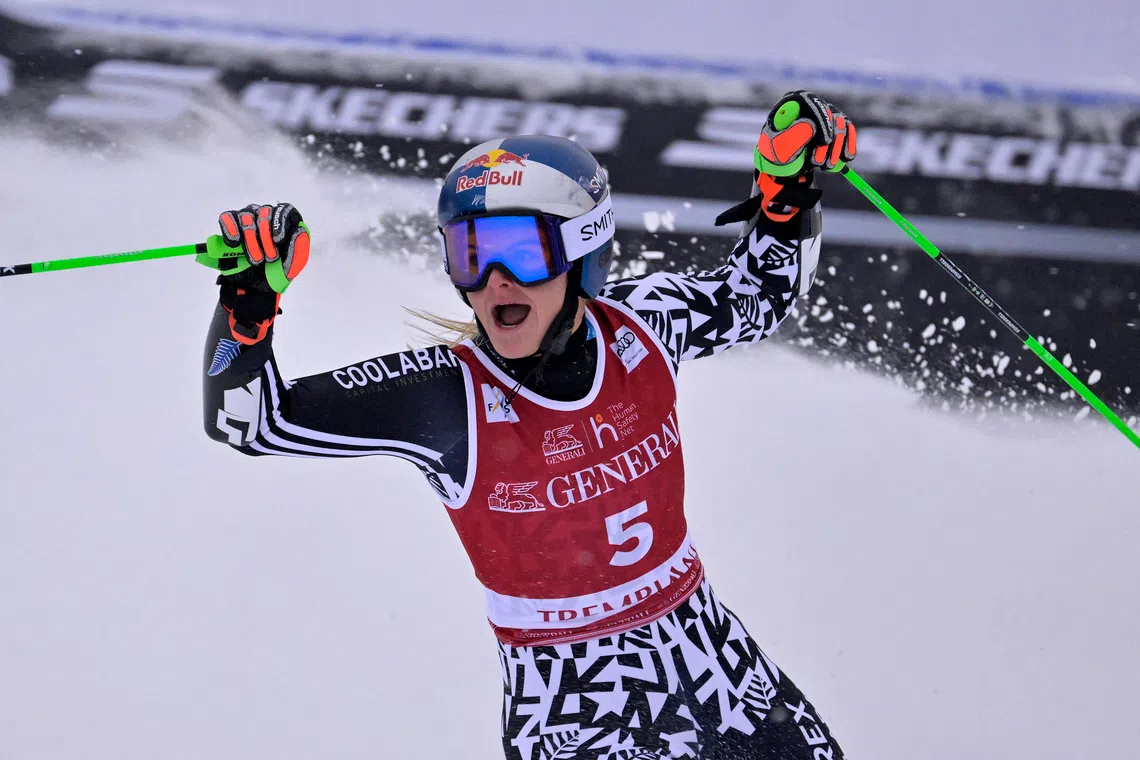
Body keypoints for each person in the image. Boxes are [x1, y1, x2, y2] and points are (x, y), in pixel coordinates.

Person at [202, 90, 857, 760]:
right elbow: (250, 421)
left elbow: (758, 294)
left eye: (521, 250)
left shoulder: (646, 324)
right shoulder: (445, 396)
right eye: (469, 254)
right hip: (580, 720)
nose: (494, 281)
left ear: (584, 252)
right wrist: (248, 303)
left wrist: (785, 189)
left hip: (725, 679)